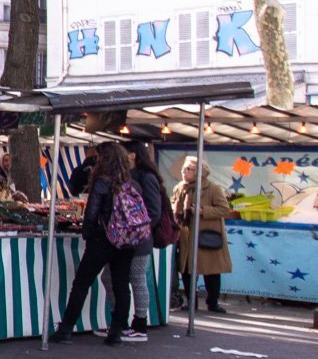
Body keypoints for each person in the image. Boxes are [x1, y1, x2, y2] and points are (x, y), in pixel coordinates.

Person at [50, 142, 141, 346]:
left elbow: (91, 214)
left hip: (103, 239)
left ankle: (66, 329)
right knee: (121, 286)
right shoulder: (131, 183)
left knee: (82, 283)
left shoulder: (101, 182)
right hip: (126, 241)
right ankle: (116, 332)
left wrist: (87, 235)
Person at [94, 142, 164, 341]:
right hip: (123, 240)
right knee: (111, 278)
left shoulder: (146, 178)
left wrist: (135, 227)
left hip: (138, 239)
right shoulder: (126, 176)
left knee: (136, 278)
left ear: (133, 154)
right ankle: (119, 322)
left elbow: (154, 212)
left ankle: (140, 324)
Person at [171, 156, 235, 313]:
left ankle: (213, 302)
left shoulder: (213, 188)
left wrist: (203, 211)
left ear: (200, 173)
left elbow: (224, 210)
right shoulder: (180, 187)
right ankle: (191, 302)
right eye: (183, 169)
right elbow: (174, 204)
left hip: (205, 236)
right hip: (186, 235)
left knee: (211, 270)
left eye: (188, 169)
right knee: (186, 270)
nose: (184, 172)